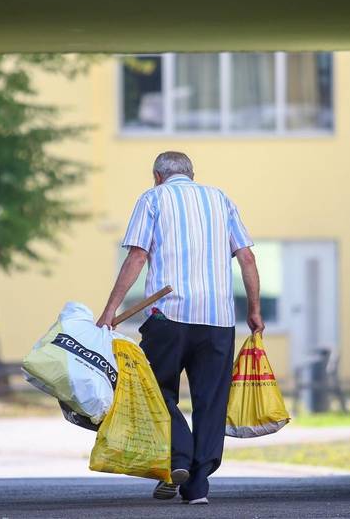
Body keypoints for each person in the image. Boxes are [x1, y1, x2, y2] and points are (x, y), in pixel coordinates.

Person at [96, 151, 265, 505]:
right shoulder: (220, 199)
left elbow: (138, 256)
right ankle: (197, 487)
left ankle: (179, 457)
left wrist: (111, 310)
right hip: (218, 319)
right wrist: (254, 310)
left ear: (157, 176)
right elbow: (246, 257)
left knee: (157, 390)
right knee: (211, 401)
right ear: (192, 174)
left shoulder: (152, 198)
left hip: (168, 317)